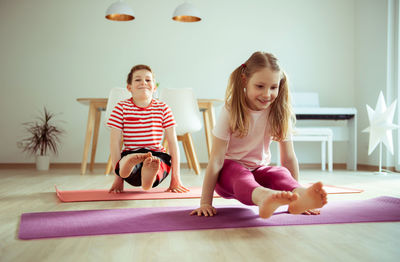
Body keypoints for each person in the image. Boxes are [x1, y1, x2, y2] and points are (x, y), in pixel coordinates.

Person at [190, 52, 328, 219]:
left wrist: (297, 199)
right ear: (244, 81)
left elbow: (289, 158)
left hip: (258, 172)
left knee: (279, 173)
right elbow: (216, 160)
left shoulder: (279, 111)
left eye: (273, 87)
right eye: (260, 86)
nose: (267, 94)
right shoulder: (230, 110)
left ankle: (300, 196)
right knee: (240, 174)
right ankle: (264, 197)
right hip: (228, 175)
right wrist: (205, 202)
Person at [107, 64, 188, 193]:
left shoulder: (163, 108)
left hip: (157, 156)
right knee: (126, 166)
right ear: (129, 88)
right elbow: (114, 142)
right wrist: (118, 179)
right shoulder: (121, 108)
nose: (143, 83)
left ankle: (149, 176)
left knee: (160, 165)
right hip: (131, 154)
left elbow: (173, 143)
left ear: (154, 87)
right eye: (138, 80)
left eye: (148, 80)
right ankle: (129, 165)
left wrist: (176, 178)